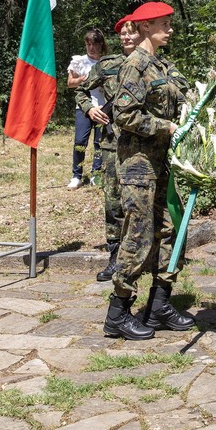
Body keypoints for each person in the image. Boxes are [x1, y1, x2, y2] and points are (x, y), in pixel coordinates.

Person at [104, 1, 194, 340]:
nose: (169, 29)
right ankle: (118, 312)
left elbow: (177, 99)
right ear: (144, 27)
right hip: (138, 164)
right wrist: (166, 127)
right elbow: (124, 115)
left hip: (162, 162)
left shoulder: (161, 65)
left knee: (168, 231)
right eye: (163, 24)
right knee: (138, 234)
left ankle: (159, 305)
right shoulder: (135, 66)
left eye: (169, 23)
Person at [75, 15, 139, 281]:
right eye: (122, 33)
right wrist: (90, 109)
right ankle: (115, 257)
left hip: (143, 145)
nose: (126, 37)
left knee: (140, 202)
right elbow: (80, 91)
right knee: (113, 202)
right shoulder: (108, 64)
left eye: (131, 32)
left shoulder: (154, 64)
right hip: (112, 145)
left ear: (142, 33)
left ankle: (142, 255)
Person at [66, 28, 109, 189]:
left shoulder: (106, 62)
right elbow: (70, 83)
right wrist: (85, 79)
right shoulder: (79, 61)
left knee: (99, 142)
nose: (91, 47)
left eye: (94, 44)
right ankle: (76, 175)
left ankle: (95, 174)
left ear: (101, 44)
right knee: (80, 141)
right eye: (88, 44)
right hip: (83, 107)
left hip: (102, 107)